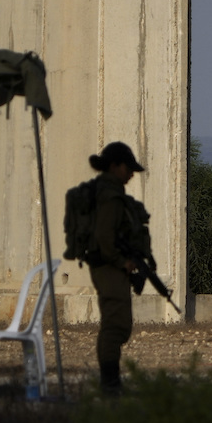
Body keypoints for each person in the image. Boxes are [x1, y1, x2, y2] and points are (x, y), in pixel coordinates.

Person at [86, 141, 148, 393]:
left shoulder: (108, 192)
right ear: (114, 166)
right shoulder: (109, 195)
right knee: (115, 326)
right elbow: (105, 237)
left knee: (119, 324)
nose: (131, 174)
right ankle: (109, 384)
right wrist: (121, 261)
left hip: (109, 264)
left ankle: (111, 382)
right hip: (108, 266)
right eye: (127, 168)